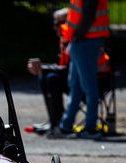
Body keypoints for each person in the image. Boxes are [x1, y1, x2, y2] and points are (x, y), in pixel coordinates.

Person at [47, 0, 110, 140]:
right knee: (75, 85)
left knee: (89, 86)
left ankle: (90, 127)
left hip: (85, 41)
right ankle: (66, 125)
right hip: (83, 41)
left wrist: (77, 36)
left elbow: (88, 16)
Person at [27, 8, 70, 134]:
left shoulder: (73, 39)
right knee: (45, 76)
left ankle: (57, 122)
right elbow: (62, 66)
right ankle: (53, 121)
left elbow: (69, 69)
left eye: (58, 24)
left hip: (84, 82)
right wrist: (42, 68)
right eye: (54, 24)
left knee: (52, 78)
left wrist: (43, 67)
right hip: (70, 78)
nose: (54, 27)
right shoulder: (64, 40)